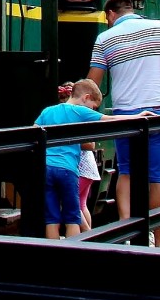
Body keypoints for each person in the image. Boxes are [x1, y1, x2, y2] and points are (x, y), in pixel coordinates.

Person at [87, 0, 160, 247]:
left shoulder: (105, 38)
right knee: (158, 177)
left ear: (110, 14)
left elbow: (93, 85)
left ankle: (129, 233)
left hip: (126, 114)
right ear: (131, 9)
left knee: (127, 173)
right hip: (158, 111)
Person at [34, 78, 133, 239]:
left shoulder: (48, 111)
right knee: (72, 218)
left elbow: (33, 132)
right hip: (67, 170)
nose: (93, 110)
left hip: (46, 168)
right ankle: (74, 255)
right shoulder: (80, 111)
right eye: (93, 107)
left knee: (51, 219)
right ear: (86, 98)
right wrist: (139, 116)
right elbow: (112, 120)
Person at [78, 144, 102, 231]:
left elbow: (90, 144)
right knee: (82, 205)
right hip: (88, 167)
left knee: (70, 202)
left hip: (80, 168)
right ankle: (89, 236)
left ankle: (86, 231)